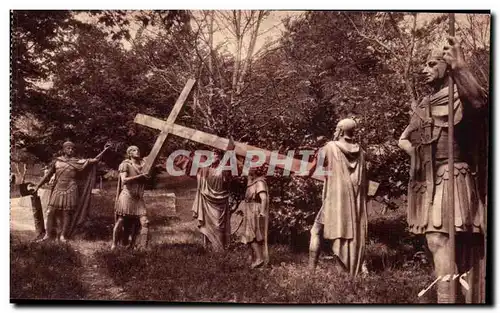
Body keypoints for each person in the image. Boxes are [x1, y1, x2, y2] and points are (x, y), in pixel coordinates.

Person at [398, 37, 487, 303]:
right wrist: (413, 151)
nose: (424, 69)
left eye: (431, 63)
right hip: (429, 179)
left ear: (445, 66)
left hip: (453, 175)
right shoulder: (425, 103)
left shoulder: (458, 96)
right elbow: (404, 137)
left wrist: (461, 68)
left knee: (439, 240)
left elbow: (481, 103)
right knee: (438, 245)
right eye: (423, 64)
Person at [307, 118, 368, 276]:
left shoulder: (330, 147)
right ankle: (354, 267)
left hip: (335, 199)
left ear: (340, 131)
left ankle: (310, 271)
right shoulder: (360, 150)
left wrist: (305, 173)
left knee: (315, 230)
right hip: (352, 200)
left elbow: (315, 165)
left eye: (336, 128)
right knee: (350, 230)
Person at [33, 141, 111, 242]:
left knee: (67, 213)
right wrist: (38, 186)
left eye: (73, 148)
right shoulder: (57, 162)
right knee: (50, 212)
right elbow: (47, 176)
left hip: (71, 188)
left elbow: (94, 160)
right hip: (58, 188)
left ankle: (63, 236)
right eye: (68, 148)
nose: (71, 150)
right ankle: (47, 235)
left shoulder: (78, 162)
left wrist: (104, 150)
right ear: (64, 149)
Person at [112, 146, 150, 250]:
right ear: (129, 153)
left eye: (138, 150)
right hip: (127, 196)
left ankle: (140, 247)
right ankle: (114, 244)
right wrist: (140, 176)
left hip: (138, 197)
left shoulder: (143, 166)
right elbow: (124, 180)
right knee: (121, 220)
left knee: (144, 222)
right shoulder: (125, 165)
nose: (137, 151)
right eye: (133, 150)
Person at [240, 165, 269, 268]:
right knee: (250, 234)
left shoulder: (259, 182)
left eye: (250, 170)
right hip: (249, 209)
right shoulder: (251, 182)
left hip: (255, 210)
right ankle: (255, 258)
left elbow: (264, 198)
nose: (248, 172)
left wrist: (262, 212)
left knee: (252, 235)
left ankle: (259, 259)